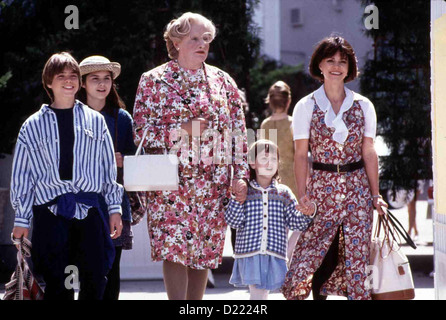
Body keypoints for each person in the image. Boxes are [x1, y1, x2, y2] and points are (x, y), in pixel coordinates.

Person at [132, 12, 249, 300]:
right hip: (170, 182)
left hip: (213, 183)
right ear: (176, 40)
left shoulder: (224, 82)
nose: (202, 44)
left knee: (204, 252)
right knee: (174, 250)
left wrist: (242, 176)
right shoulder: (153, 80)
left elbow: (239, 135)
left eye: (206, 39)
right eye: (194, 38)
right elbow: (139, 131)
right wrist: (181, 130)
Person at [281, 35, 388, 300]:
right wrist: (303, 194)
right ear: (319, 65)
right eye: (330, 60)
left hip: (358, 189)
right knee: (317, 256)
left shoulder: (364, 106)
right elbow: (301, 154)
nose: (336, 66)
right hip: (321, 189)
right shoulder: (306, 106)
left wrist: (376, 196)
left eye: (342, 61)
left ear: (350, 67)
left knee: (356, 257)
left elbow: (369, 151)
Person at [10, 52, 123, 300]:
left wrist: (114, 208)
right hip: (50, 211)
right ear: (49, 82)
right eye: (61, 76)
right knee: (56, 281)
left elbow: (107, 170)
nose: (68, 81)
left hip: (90, 209)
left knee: (95, 277)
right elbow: (22, 176)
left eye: (73, 76)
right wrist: (22, 218)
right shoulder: (32, 125)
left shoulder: (96, 121)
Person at [225, 139, 316, 300]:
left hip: (275, 254)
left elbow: (296, 223)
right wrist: (237, 200)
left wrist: (307, 213)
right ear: (252, 163)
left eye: (274, 159)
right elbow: (234, 222)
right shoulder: (246, 193)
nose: (270, 163)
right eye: (264, 158)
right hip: (250, 254)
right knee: (258, 295)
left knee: (262, 295)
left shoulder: (284, 193)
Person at [78, 55, 136, 300]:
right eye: (95, 79)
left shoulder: (122, 119)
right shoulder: (72, 115)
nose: (102, 84)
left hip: (115, 204)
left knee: (111, 270)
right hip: (81, 203)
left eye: (106, 79)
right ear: (82, 83)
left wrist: (124, 161)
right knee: (84, 270)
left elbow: (136, 160)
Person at [259, 81, 301, 261]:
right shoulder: (293, 123)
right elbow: (299, 152)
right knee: (301, 221)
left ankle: (279, 260)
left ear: (270, 101)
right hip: (293, 176)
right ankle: (287, 254)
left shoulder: (265, 125)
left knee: (278, 224)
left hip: (272, 177)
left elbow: (262, 153)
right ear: (288, 101)